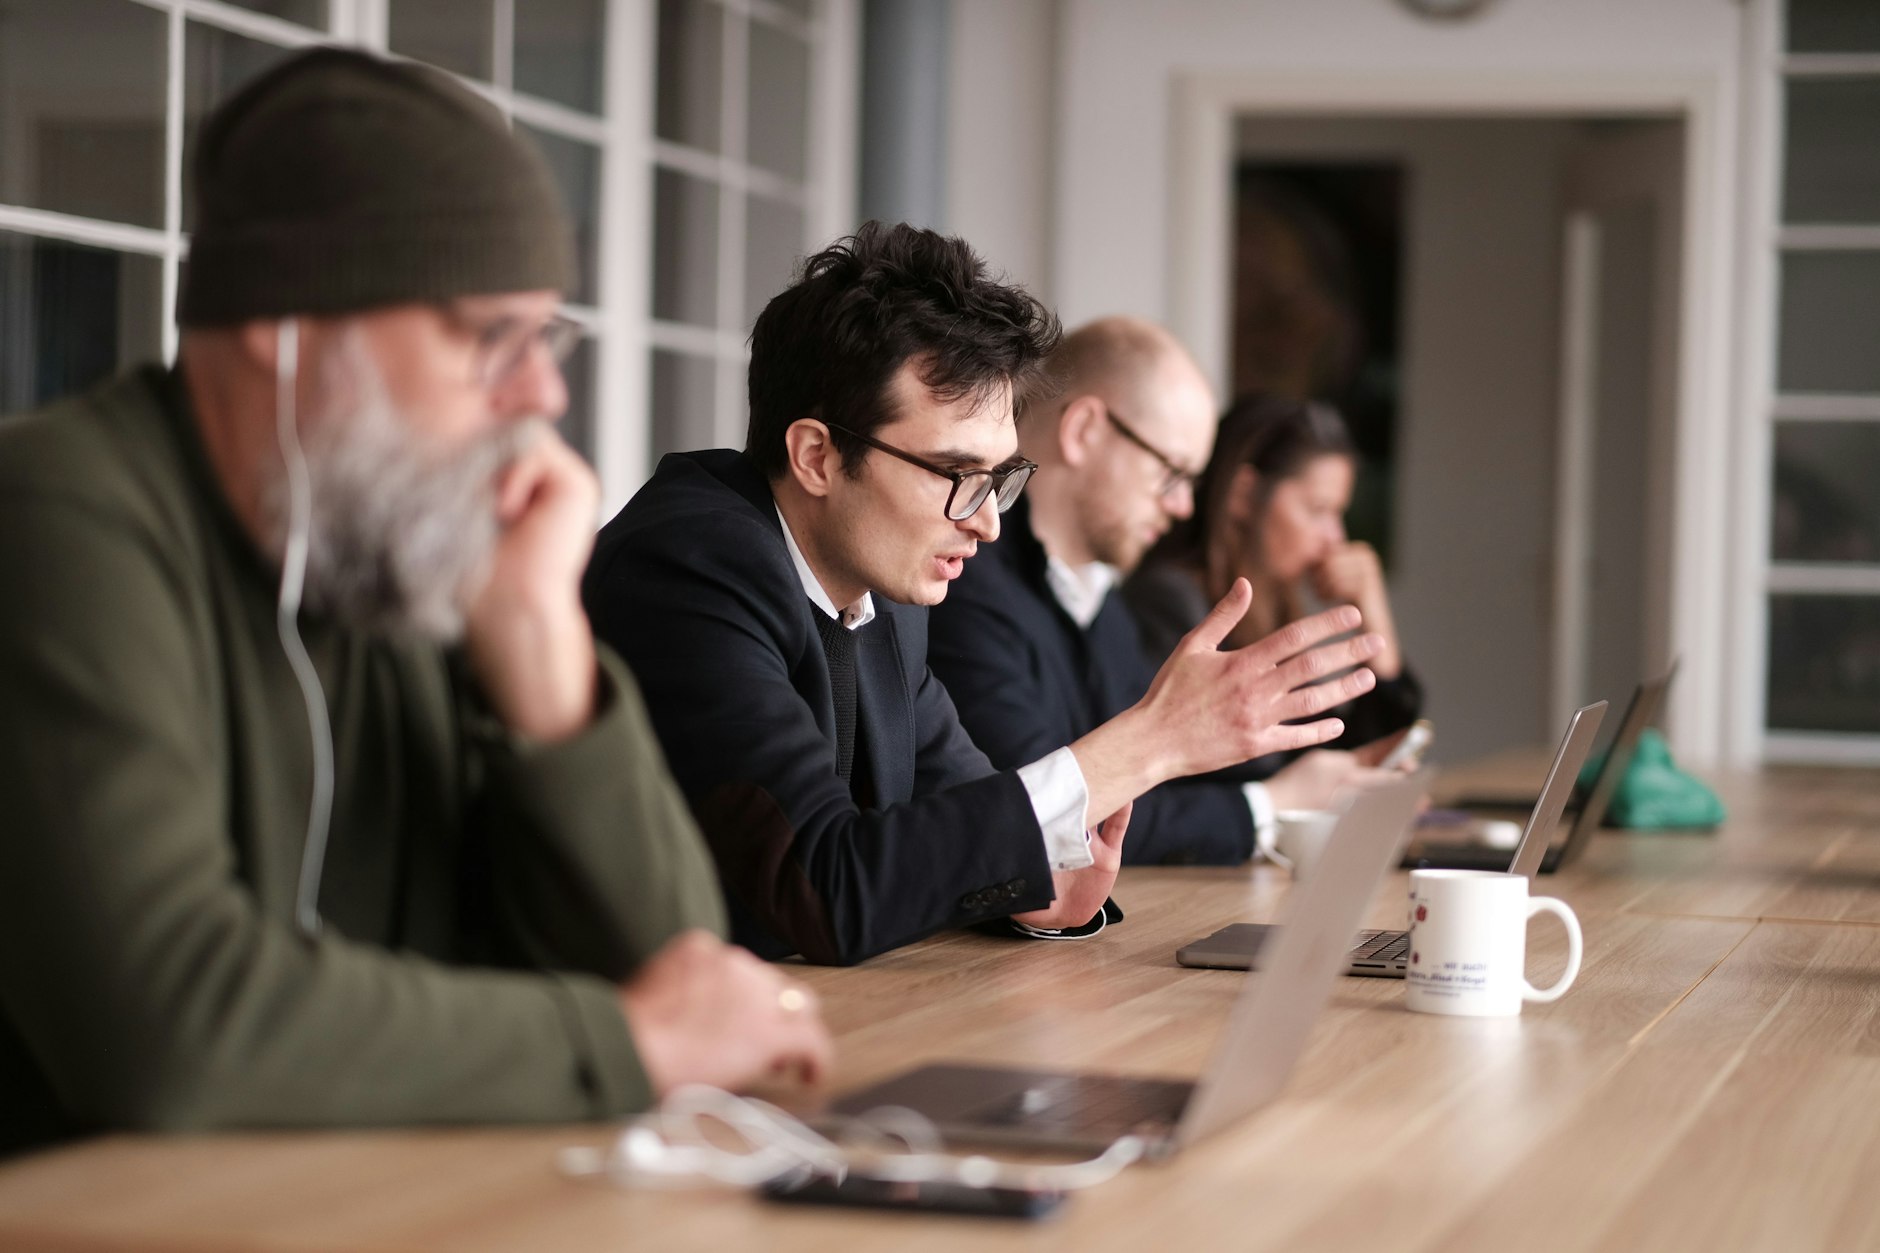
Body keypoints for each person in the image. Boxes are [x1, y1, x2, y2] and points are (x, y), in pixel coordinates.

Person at [0, 48, 828, 1158]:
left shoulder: (394, 543)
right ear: (286, 320)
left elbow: (673, 960)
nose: (544, 394)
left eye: (548, 337)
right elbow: (164, 1022)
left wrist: (547, 661)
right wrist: (625, 1038)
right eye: (493, 336)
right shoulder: (58, 512)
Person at [583, 223, 1384, 967]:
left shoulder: (889, 596)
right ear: (818, 457)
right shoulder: (690, 568)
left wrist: (1044, 893)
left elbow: (958, 812)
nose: (991, 525)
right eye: (956, 476)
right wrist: (1156, 741)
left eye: (999, 478)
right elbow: (825, 886)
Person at [928, 318, 1402, 866]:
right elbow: (1054, 812)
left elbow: (1146, 794)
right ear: (1083, 430)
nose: (1182, 508)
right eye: (1172, 473)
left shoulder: (1104, 608)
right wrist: (1273, 802)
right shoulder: (964, 584)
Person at [1126, 392, 1423, 751]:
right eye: (1318, 510)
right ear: (1244, 494)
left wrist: (1374, 613)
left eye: (1338, 513)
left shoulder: (1274, 606)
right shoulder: (1169, 603)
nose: (1337, 538)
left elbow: (1359, 751)